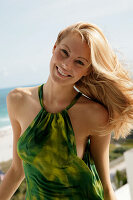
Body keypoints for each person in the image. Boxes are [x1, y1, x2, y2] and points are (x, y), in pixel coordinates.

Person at [0, 22, 133, 200]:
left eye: (79, 62)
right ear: (54, 47)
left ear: (88, 71)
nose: (67, 65)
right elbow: (17, 170)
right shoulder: (17, 100)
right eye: (64, 52)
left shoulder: (95, 115)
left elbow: (106, 187)